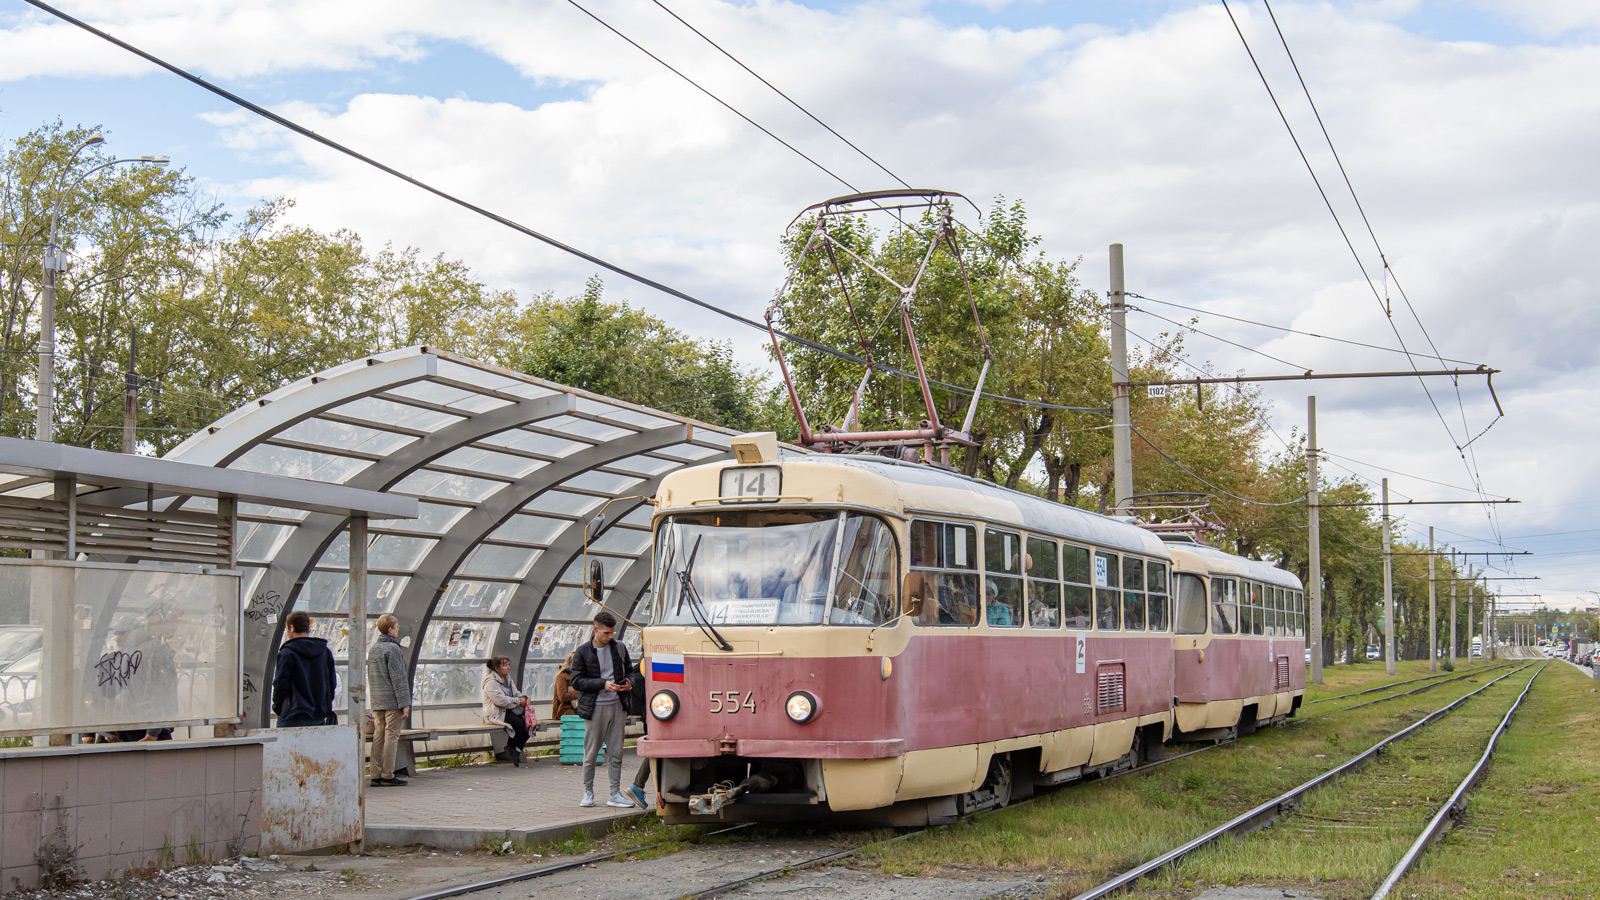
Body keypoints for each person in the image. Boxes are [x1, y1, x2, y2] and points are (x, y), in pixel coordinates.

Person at [570, 611, 634, 808]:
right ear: (595, 629)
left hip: (618, 706)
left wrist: (629, 684)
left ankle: (614, 793)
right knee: (591, 752)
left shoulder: (620, 648)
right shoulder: (582, 652)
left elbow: (631, 670)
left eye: (612, 633)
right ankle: (588, 792)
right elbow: (576, 681)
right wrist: (602, 684)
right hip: (595, 707)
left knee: (616, 752)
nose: (610, 637)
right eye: (606, 633)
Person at [367, 614, 412, 787]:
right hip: (393, 701)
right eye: (396, 626)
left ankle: (374, 774)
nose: (398, 629)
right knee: (392, 736)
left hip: (378, 700)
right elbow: (399, 678)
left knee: (379, 736)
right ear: (390, 629)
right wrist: (404, 704)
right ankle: (388, 774)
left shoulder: (374, 649)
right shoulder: (393, 650)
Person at [273, 611, 337, 727]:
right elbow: (331, 684)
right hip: (318, 715)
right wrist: (324, 705)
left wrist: (278, 707)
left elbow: (280, 685)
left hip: (291, 716)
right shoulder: (324, 652)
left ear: (291, 628)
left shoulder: (287, 653)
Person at [481, 657, 532, 766]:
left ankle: (516, 749)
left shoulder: (507, 679)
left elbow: (515, 692)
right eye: (505, 665)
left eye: (509, 664)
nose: (508, 667)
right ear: (497, 668)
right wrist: (518, 701)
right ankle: (511, 747)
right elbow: (500, 701)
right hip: (496, 713)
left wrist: (523, 697)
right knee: (519, 725)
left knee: (529, 725)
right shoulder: (491, 682)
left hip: (509, 710)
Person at [552, 650, 579, 720]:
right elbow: (562, 697)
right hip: (565, 710)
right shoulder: (562, 676)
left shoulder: (581, 676)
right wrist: (579, 693)